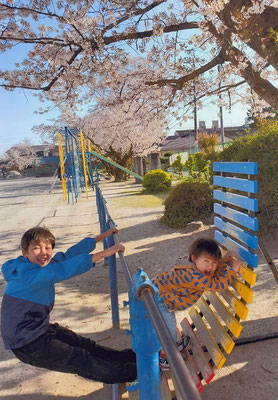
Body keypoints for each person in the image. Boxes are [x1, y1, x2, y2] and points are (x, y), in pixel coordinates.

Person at [1, 226, 137, 384]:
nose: (43, 253)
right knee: (80, 360)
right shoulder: (28, 275)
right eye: (36, 248)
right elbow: (63, 270)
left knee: (85, 345)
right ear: (25, 252)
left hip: (37, 328)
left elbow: (66, 257)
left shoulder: (33, 266)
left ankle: (130, 358)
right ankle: (134, 373)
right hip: (26, 343)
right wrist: (106, 252)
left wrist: (103, 236)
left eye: (48, 247)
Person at [151, 238, 242, 370]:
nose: (210, 266)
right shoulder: (196, 277)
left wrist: (222, 262)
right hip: (160, 300)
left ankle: (170, 346)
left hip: (159, 293)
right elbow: (216, 284)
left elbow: (211, 274)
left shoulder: (197, 270)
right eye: (206, 261)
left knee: (168, 325)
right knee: (168, 328)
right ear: (194, 259)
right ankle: (165, 359)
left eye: (214, 263)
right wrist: (233, 271)